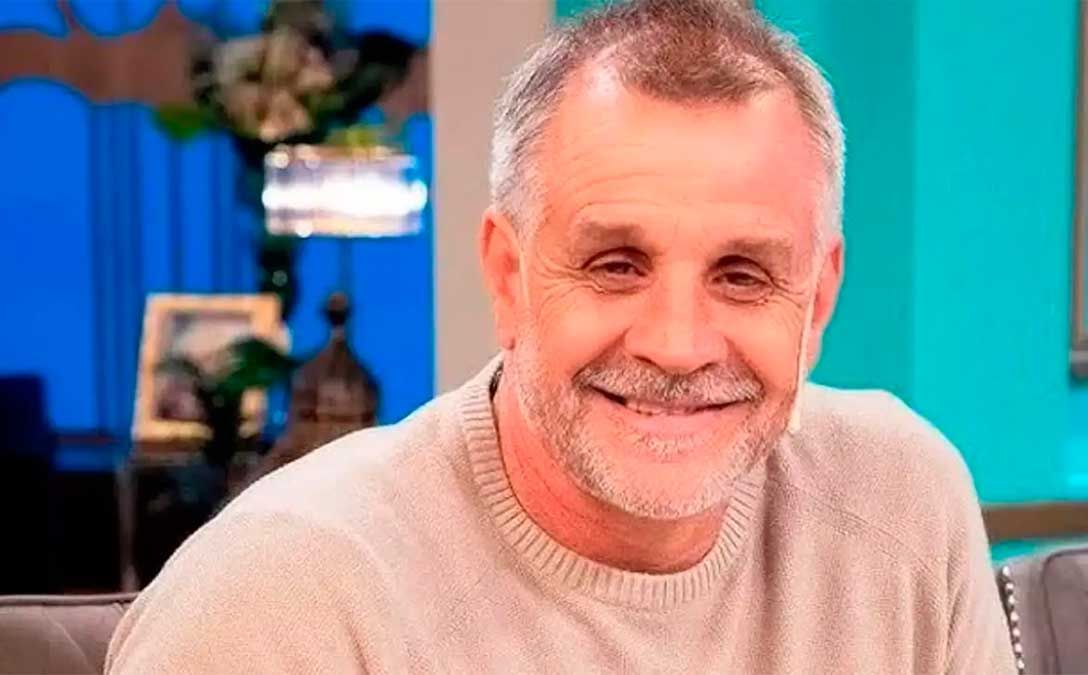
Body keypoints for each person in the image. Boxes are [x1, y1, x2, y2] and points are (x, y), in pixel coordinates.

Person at [106, 1, 1016, 672]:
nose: (677, 344)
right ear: (508, 277)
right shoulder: (280, 600)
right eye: (617, 264)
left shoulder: (903, 500)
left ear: (815, 303)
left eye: (743, 274)